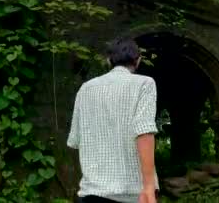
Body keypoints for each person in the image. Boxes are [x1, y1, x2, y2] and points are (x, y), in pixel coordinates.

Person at [67, 37, 158, 203]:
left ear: (108, 60)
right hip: (131, 194)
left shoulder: (85, 88)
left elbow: (75, 141)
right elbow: (144, 132)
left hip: (91, 194)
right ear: (138, 60)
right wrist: (149, 187)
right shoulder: (144, 84)